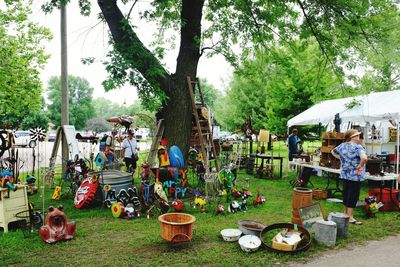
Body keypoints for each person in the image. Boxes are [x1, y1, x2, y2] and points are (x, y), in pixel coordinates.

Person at [331, 129, 367, 225]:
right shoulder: (358, 147)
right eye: (358, 135)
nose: (359, 137)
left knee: (346, 193)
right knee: (353, 195)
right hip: (355, 175)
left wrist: (342, 158)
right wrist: (360, 165)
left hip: (345, 174)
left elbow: (332, 152)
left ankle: (345, 213)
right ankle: (350, 217)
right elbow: (364, 158)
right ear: (352, 137)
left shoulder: (342, 145)